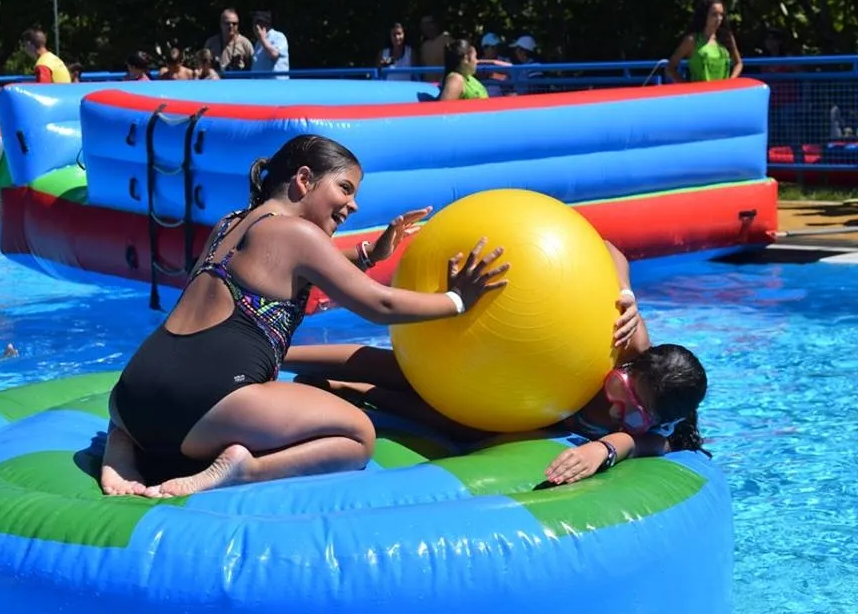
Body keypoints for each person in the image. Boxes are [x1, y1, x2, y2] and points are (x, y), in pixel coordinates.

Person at [100, 134, 510, 498]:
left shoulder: (231, 223)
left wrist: (370, 254)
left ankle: (124, 442)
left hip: (131, 397)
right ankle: (245, 469)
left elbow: (297, 266)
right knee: (357, 437)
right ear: (303, 179)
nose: (353, 204)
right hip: (201, 407)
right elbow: (379, 305)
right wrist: (457, 300)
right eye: (345, 188)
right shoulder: (298, 234)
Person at [285, 242, 709, 487]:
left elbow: (659, 446)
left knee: (467, 425)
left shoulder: (656, 423)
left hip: (514, 402)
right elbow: (607, 249)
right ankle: (281, 354)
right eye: (618, 390)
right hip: (514, 361)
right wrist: (624, 291)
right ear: (629, 367)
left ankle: (350, 390)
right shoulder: (628, 340)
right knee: (407, 369)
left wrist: (608, 445)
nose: (616, 410)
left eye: (631, 415)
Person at [666, 0, 743, 83]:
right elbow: (670, 68)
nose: (719, 19)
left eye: (721, 14)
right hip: (700, 90)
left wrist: (731, 81)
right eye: (714, 14)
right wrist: (686, 86)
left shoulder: (727, 38)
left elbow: (738, 63)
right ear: (704, 15)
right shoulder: (692, 40)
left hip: (724, 90)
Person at [438, 39, 511, 101]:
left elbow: (509, 66)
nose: (477, 61)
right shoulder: (456, 79)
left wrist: (493, 62)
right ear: (466, 59)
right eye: (475, 57)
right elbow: (443, 109)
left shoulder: (468, 76)